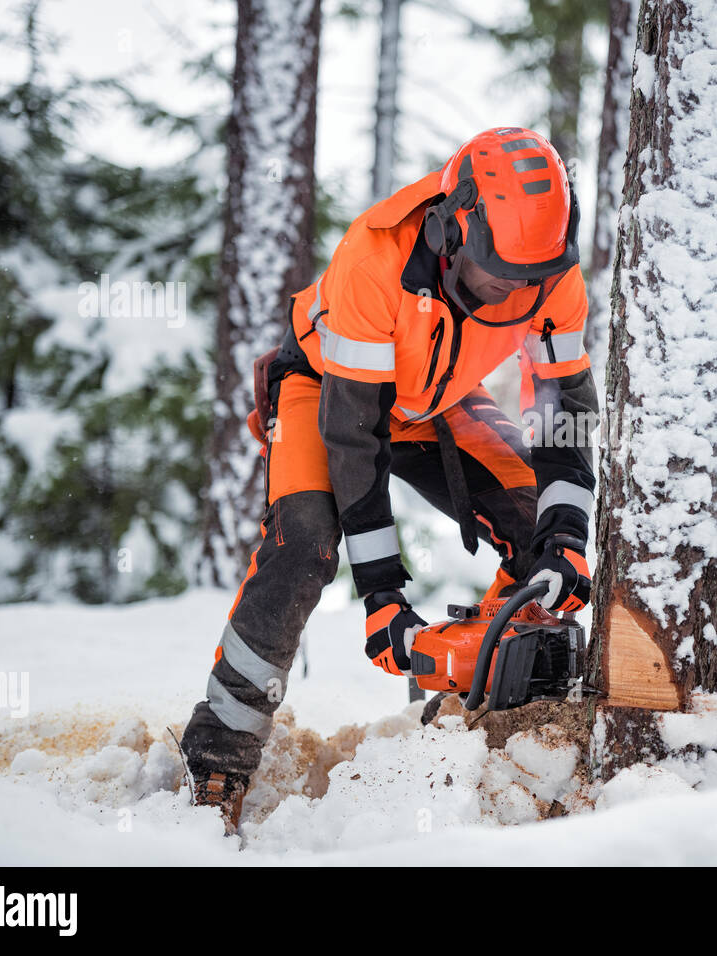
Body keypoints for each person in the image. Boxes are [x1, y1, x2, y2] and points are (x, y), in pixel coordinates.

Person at [179, 127, 597, 834]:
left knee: (538, 524)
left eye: (532, 283)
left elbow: (566, 417)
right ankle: (219, 756)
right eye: (500, 278)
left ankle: (492, 694)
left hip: (438, 397)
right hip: (329, 393)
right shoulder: (374, 259)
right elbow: (354, 440)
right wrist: (383, 601)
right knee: (305, 545)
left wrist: (566, 542)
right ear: (452, 230)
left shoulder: (551, 270)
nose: (518, 296)